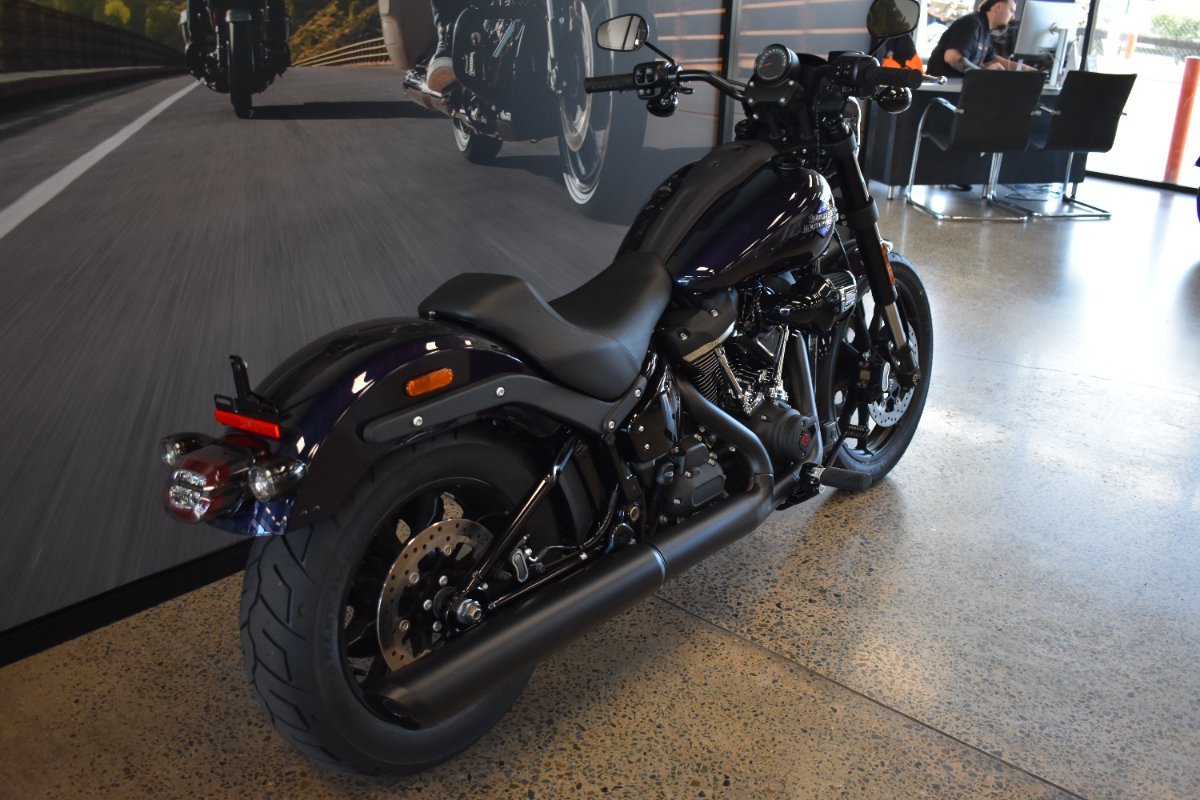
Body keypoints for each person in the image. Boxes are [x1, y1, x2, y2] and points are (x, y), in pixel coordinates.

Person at [927, 0, 1035, 77]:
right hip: (943, 88)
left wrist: (1024, 69)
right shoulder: (972, 24)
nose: (1013, 17)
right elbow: (952, 57)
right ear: (998, 7)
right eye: (1011, 11)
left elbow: (992, 59)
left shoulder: (985, 31)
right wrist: (982, 75)